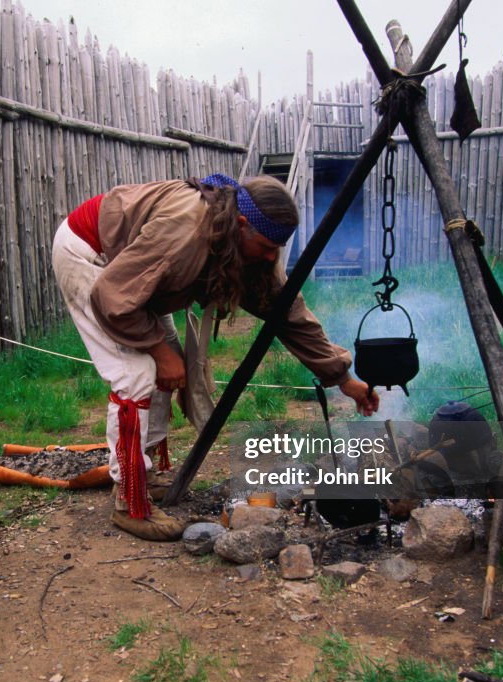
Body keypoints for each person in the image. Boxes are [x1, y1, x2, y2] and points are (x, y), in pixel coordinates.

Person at [51, 174, 380, 541]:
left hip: (134, 273)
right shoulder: (186, 230)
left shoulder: (239, 239)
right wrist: (158, 350)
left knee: (164, 365)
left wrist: (342, 378)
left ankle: (141, 475)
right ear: (242, 224)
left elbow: (286, 312)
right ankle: (130, 499)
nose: (271, 257)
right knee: (137, 374)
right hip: (92, 256)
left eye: (278, 248)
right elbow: (113, 295)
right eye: (266, 246)